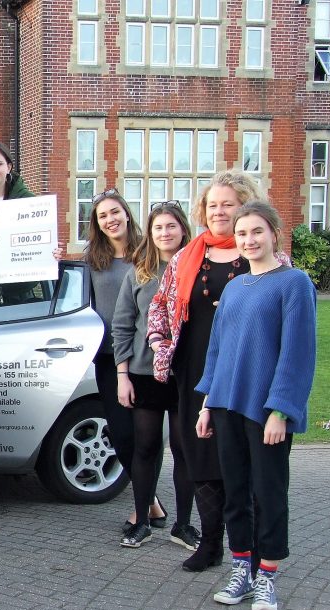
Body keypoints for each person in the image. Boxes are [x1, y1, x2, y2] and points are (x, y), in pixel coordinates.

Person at [147, 170, 282, 572]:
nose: (219, 211)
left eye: (228, 204)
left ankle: (256, 550)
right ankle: (210, 544)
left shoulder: (265, 255)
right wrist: (159, 343)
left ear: (245, 207)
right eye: (212, 205)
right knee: (200, 457)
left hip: (247, 373)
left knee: (246, 461)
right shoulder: (188, 256)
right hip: (195, 372)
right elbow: (159, 305)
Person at [195, 201, 316, 610]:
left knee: (269, 492)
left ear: (274, 234)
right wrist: (207, 403)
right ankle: (242, 568)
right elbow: (217, 349)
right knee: (235, 493)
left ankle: (267, 576)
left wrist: (281, 410)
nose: (249, 240)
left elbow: (298, 352)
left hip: (266, 410)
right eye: (242, 233)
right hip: (226, 403)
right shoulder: (234, 287)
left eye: (257, 232)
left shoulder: (294, 283)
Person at [112, 201, 196, 549]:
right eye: (159, 227)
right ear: (151, 232)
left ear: (182, 230)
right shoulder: (139, 272)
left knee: (184, 448)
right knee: (145, 447)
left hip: (185, 373)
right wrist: (123, 375)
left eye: (171, 227)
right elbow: (122, 325)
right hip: (146, 373)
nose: (165, 233)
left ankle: (184, 524)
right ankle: (142, 520)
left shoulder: (197, 268)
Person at [84, 189, 162, 532]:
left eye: (114, 212)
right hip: (109, 358)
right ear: (97, 225)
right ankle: (152, 502)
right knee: (121, 434)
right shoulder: (93, 259)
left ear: (127, 214)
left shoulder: (150, 254)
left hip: (146, 357)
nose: (110, 220)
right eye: (102, 216)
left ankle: (141, 510)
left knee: (147, 436)